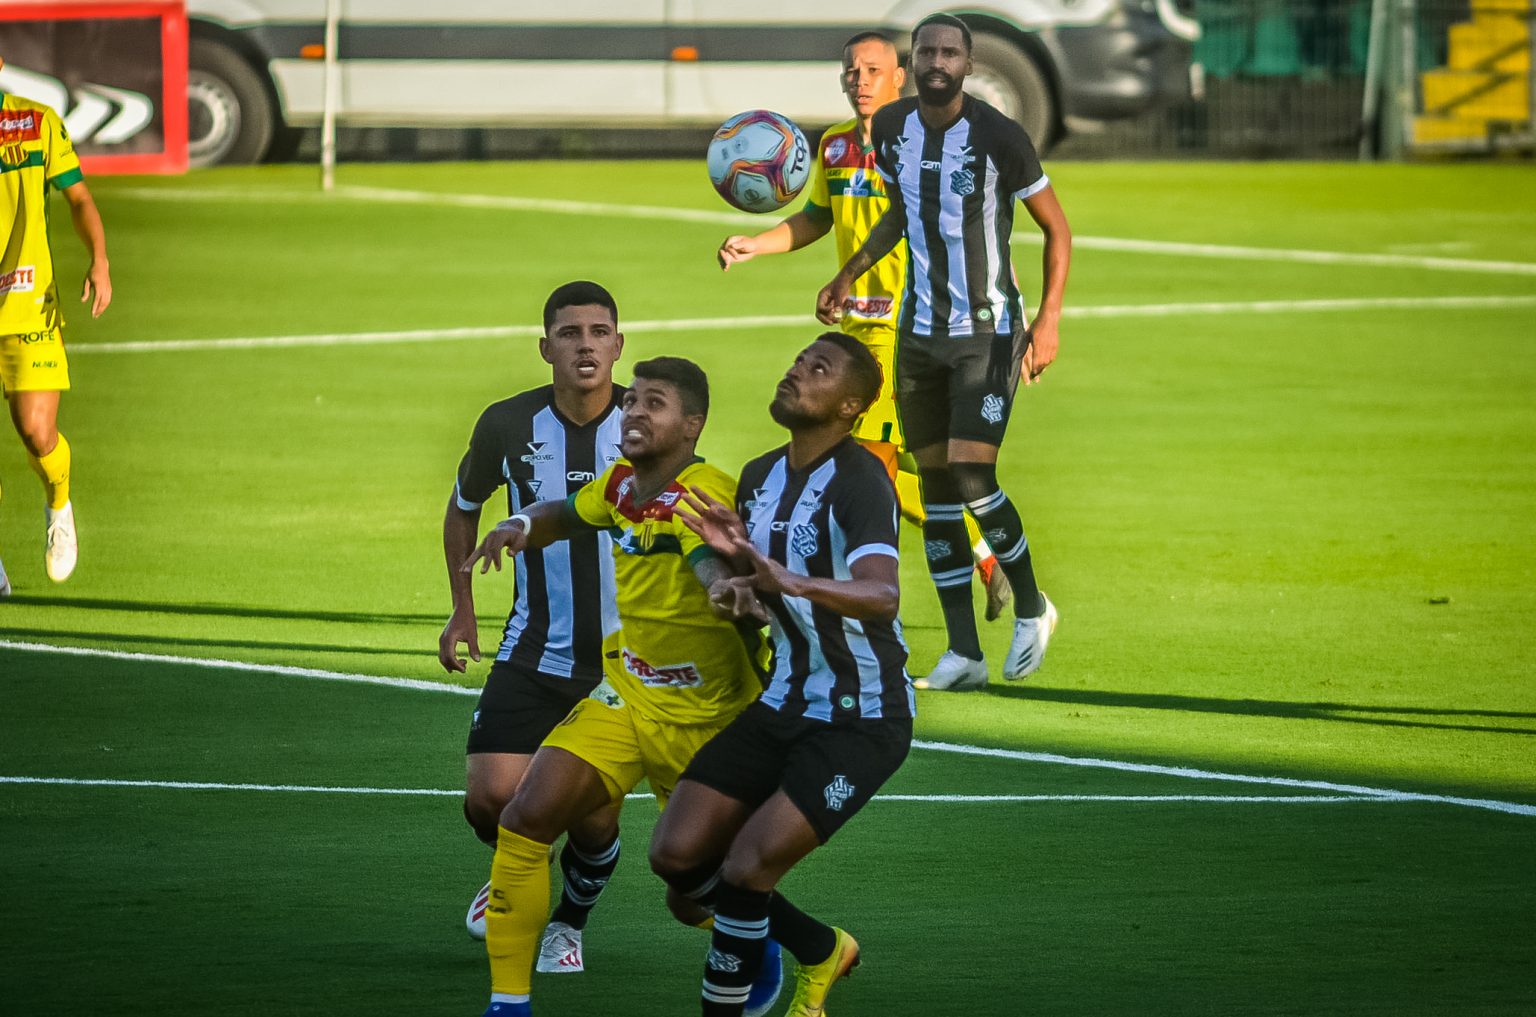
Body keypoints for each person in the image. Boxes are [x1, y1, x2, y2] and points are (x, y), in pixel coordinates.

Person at [461, 357, 782, 1017]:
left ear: (691, 425)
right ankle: (508, 1002)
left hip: (708, 719)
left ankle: (770, 938)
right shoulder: (621, 486)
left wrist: (726, 590)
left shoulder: (700, 494)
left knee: (689, 891)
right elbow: (569, 511)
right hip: (629, 694)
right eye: (632, 400)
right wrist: (521, 526)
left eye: (653, 403)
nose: (634, 411)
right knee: (525, 817)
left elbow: (706, 559)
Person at [650, 332, 911, 1017]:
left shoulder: (861, 479)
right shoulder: (761, 475)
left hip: (861, 716)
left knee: (744, 869)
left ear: (851, 405)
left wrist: (786, 579)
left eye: (817, 369)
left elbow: (882, 594)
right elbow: (762, 592)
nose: (796, 371)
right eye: (797, 361)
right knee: (677, 858)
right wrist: (739, 592)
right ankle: (820, 947)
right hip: (783, 700)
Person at [716, 31, 1012, 623]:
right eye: (852, 71)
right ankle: (979, 556)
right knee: (890, 463)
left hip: (913, 331)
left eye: (874, 70)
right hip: (855, 334)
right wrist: (758, 243)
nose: (861, 80)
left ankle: (869, 594)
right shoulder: (831, 148)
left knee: (872, 464)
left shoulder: (925, 143)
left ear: (900, 78)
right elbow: (815, 219)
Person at [815, 13, 1072, 691]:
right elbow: (903, 210)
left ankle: (1034, 605)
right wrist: (849, 272)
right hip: (918, 335)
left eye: (949, 52)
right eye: (927, 49)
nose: (937, 60)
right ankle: (963, 651)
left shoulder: (1000, 136)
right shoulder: (895, 128)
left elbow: (1058, 230)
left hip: (986, 334)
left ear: (967, 61)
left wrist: (1046, 322)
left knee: (970, 472)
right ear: (916, 59)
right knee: (932, 486)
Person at [441, 280, 628, 964]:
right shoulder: (508, 424)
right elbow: (464, 505)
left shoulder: (646, 420)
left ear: (618, 344)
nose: (585, 344)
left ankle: (568, 924)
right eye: (571, 332)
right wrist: (463, 607)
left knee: (594, 817)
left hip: (620, 663)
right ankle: (518, 869)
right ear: (545, 346)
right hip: (532, 647)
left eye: (599, 331)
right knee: (490, 798)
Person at [0, 56, 112, 594]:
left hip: (29, 305)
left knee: (36, 432)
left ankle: (59, 506)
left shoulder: (36, 122)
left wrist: (100, 259)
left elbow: (79, 197)